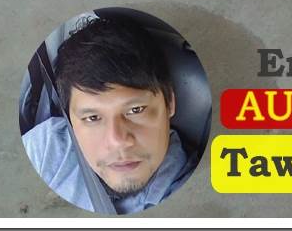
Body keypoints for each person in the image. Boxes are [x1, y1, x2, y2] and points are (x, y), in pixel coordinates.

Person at [22, 15, 191, 214]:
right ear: (70, 120)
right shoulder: (47, 148)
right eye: (92, 118)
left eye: (136, 110)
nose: (117, 141)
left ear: (169, 102)